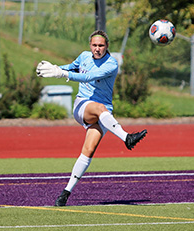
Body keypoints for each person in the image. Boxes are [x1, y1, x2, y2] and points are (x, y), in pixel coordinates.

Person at [36, 30, 147, 206]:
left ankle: (65, 193)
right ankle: (127, 138)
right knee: (99, 108)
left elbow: (89, 76)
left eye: (101, 45)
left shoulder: (111, 63)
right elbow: (72, 67)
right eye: (94, 45)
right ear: (90, 46)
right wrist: (57, 68)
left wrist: (62, 74)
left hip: (104, 115)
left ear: (107, 46)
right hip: (83, 106)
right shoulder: (84, 56)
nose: (97, 49)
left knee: (88, 151)